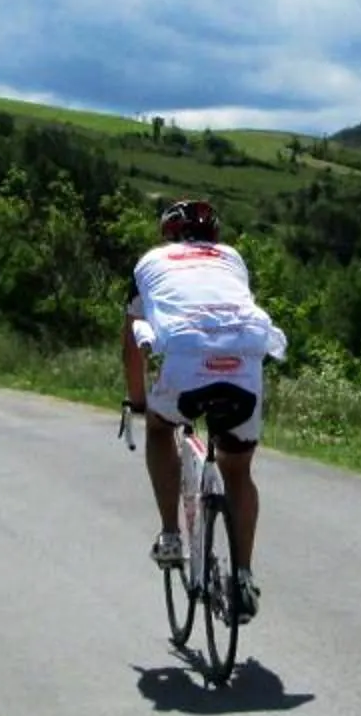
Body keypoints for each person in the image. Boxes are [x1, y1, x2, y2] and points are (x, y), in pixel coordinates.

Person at [122, 197, 285, 622]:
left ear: (168, 236)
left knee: (161, 429)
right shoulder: (231, 259)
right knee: (238, 470)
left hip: (185, 364)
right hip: (244, 365)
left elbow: (132, 346)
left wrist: (139, 400)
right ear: (214, 236)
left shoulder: (152, 263)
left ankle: (172, 535)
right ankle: (244, 575)